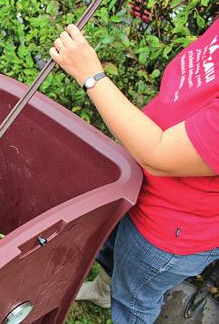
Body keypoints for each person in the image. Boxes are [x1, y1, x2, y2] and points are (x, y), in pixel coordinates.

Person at [49, 18, 219, 323]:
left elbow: (159, 153)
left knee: (135, 301)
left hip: (170, 229)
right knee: (110, 251)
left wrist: (91, 76)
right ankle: (103, 293)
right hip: (135, 178)